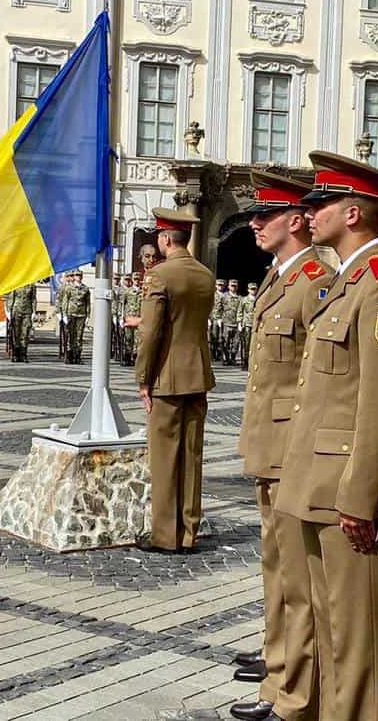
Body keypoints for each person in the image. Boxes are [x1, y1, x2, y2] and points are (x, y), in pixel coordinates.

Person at [275, 151, 378, 720]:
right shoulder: (345, 284)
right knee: (329, 631)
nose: (310, 212)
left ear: (353, 212)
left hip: (344, 486)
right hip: (315, 479)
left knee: (359, 647)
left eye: (321, 202)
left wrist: (362, 492)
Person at [229, 170, 332, 721]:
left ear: (295, 222)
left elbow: (322, 376)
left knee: (297, 577)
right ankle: (280, 663)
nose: (254, 223)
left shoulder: (315, 279)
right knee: (278, 566)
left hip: (293, 445)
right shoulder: (282, 276)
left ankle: (294, 686)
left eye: (264, 215)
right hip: (271, 443)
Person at [135, 207, 216, 554]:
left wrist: (143, 379)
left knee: (165, 457)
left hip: (167, 378)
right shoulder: (205, 275)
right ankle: (188, 531)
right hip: (198, 374)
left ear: (166, 239)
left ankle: (165, 535)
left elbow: (152, 333)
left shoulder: (160, 276)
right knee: (191, 456)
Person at [65, 269, 91, 364]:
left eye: (79, 275)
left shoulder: (86, 289)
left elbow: (88, 303)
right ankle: (69, 355)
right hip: (71, 313)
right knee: (71, 335)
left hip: (81, 314)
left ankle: (77, 356)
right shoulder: (69, 288)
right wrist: (64, 314)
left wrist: (88, 315)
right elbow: (66, 301)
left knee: (79, 336)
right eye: (76, 275)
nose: (78, 277)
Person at [7, 283, 36, 362]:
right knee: (16, 333)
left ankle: (24, 354)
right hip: (16, 311)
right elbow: (11, 298)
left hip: (27, 311)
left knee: (25, 333)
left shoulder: (31, 285)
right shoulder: (16, 283)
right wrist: (9, 311)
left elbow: (33, 299)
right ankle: (16, 354)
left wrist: (34, 311)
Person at [237, 282, 258, 370]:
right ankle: (245, 362)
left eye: (254, 289)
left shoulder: (259, 299)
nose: (253, 291)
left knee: (254, 344)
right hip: (247, 324)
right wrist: (239, 323)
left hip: (256, 324)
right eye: (251, 289)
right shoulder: (244, 300)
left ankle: (252, 362)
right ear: (248, 290)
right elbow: (240, 311)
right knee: (246, 344)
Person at [221, 279, 242, 365]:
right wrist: (218, 318)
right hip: (226, 322)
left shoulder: (240, 298)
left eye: (235, 286)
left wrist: (240, 322)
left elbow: (241, 310)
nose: (233, 287)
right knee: (225, 341)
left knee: (236, 342)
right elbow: (218, 307)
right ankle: (226, 359)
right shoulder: (224, 296)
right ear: (229, 286)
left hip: (236, 323)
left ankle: (232, 359)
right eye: (232, 286)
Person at [210, 279, 226, 361]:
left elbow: (227, 309)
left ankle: (220, 354)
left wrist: (223, 318)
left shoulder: (225, 296)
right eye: (219, 285)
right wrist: (209, 319)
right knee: (214, 336)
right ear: (216, 285)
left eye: (221, 285)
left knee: (222, 337)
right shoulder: (212, 295)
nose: (220, 286)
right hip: (214, 318)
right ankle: (213, 354)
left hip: (222, 319)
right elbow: (209, 307)